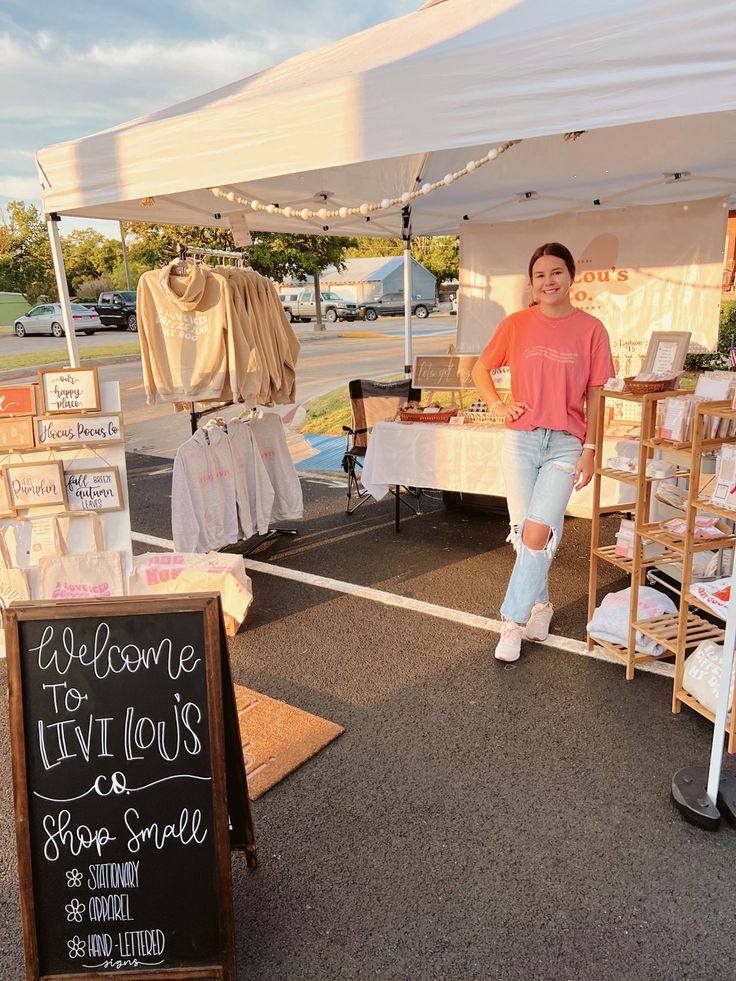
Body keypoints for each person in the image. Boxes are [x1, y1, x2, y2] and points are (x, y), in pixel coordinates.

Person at [470, 242, 614, 663]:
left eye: (556, 273)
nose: (548, 281)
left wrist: (591, 448)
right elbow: (481, 369)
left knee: (537, 531)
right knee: (523, 532)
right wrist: (498, 404)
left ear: (572, 276)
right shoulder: (516, 324)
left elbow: (597, 395)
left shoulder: (592, 329)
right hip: (521, 439)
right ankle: (542, 606)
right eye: (540, 275)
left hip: (568, 442)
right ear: (531, 282)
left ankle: (511, 622)